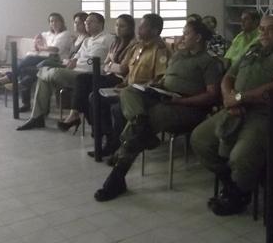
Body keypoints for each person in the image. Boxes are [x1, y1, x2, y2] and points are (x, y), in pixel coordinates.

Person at [190, 15, 273, 216]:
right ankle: (233, 184)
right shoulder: (253, 51)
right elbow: (228, 76)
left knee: (241, 155)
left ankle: (239, 194)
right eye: (262, 29)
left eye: (270, 29)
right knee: (200, 138)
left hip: (272, 118)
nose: (263, 33)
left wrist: (239, 97)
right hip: (237, 111)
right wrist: (229, 98)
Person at [94, 20, 222, 201]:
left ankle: (117, 178)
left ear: (199, 38)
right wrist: (155, 85)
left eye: (186, 34)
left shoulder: (208, 61)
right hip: (163, 95)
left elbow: (212, 96)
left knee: (147, 120)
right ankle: (140, 123)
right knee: (129, 91)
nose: (181, 37)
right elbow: (166, 78)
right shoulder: (179, 56)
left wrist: (184, 101)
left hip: (186, 106)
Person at [87, 13, 172, 158]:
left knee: (116, 108)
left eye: (143, 26)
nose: (139, 28)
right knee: (95, 96)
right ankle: (108, 137)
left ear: (155, 31)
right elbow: (129, 72)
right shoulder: (137, 47)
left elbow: (159, 79)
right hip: (127, 89)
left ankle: (116, 147)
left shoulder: (160, 49)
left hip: (141, 94)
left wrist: (135, 88)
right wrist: (123, 84)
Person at [15, 13, 113, 131]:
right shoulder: (87, 40)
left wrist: (77, 62)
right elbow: (77, 55)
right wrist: (74, 60)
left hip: (89, 75)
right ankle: (37, 117)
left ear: (100, 24)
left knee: (50, 72)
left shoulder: (108, 38)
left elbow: (104, 60)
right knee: (43, 78)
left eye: (90, 22)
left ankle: (38, 114)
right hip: (74, 71)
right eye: (86, 22)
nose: (87, 24)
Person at [58, 14, 137, 142]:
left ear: (130, 28)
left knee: (89, 89)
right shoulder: (116, 43)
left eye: (122, 26)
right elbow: (106, 64)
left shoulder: (133, 45)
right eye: (117, 25)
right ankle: (93, 126)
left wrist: (111, 65)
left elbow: (124, 69)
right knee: (84, 82)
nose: (118, 28)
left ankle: (96, 128)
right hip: (109, 75)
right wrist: (111, 65)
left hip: (122, 80)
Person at [0, 12, 73, 112]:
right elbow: (39, 37)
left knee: (28, 59)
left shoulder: (65, 34)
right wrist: (37, 39)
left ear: (62, 22)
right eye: (51, 21)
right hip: (44, 59)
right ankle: (25, 102)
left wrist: (40, 47)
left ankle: (10, 76)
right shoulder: (48, 34)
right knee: (26, 70)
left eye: (56, 21)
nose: (54, 23)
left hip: (56, 60)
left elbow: (54, 49)